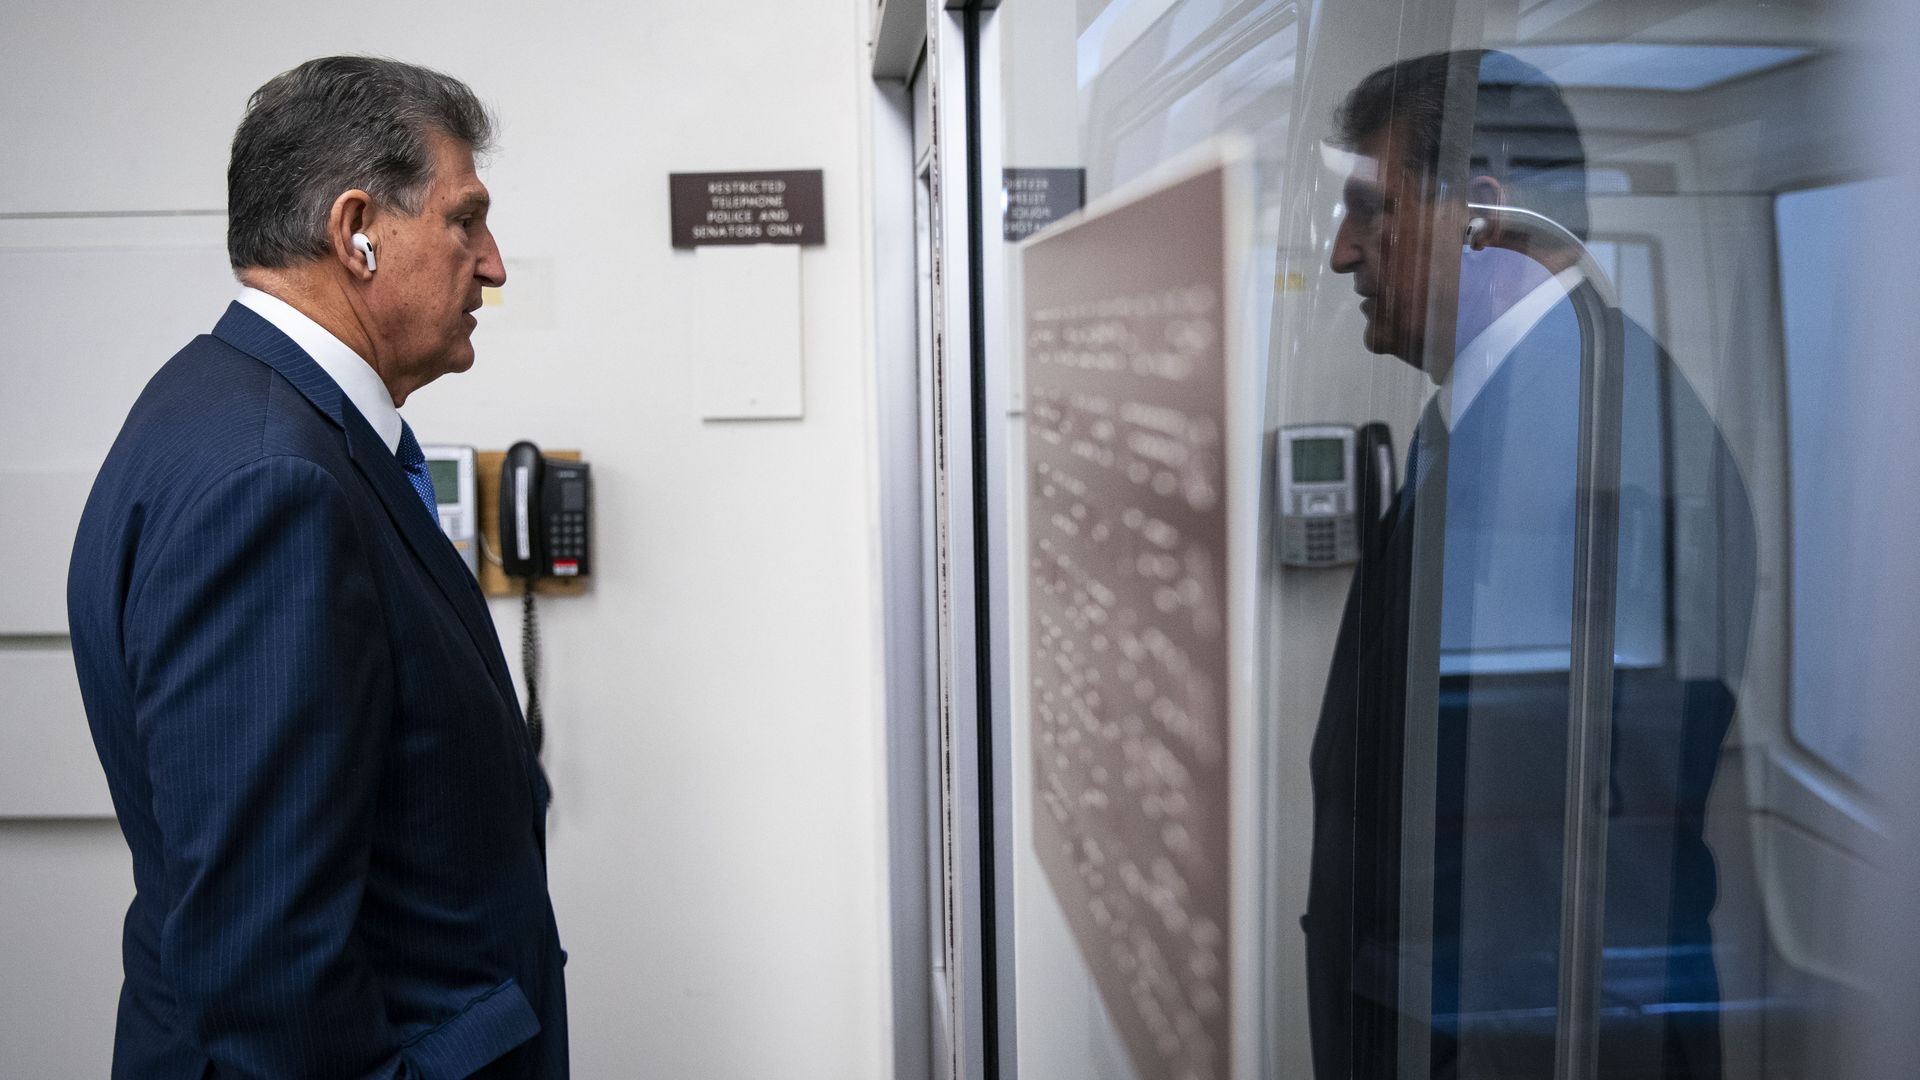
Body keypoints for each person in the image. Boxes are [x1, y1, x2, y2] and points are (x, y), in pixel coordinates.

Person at [67, 56, 567, 1078]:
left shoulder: (230, 411)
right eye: (464, 220)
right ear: (357, 232)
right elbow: (265, 962)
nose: (494, 265)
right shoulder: (271, 483)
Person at [1305, 50, 1754, 1079]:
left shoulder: (1597, 431)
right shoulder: (1485, 415)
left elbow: (1567, 874)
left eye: (1370, 209)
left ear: (1483, 214)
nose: (1342, 254)